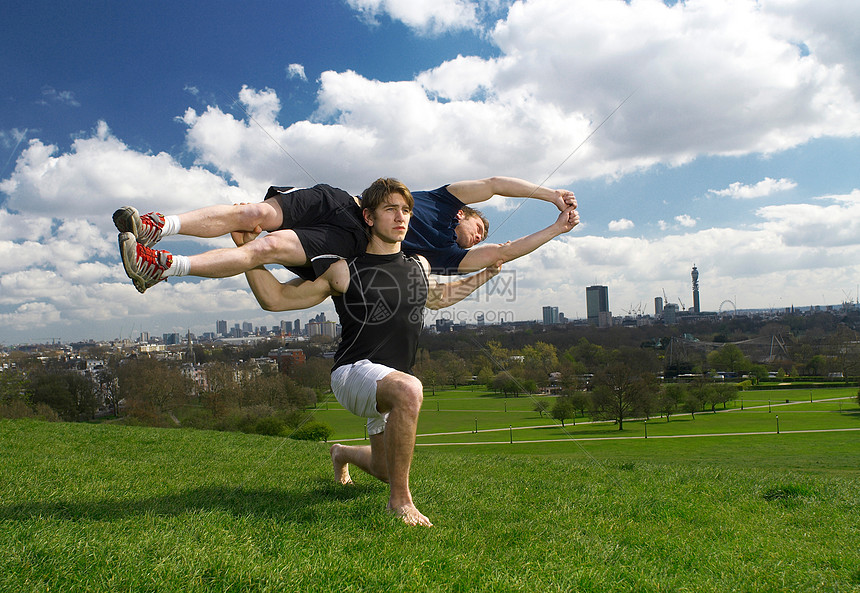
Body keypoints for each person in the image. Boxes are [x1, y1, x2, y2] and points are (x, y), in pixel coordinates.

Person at [235, 179, 579, 526]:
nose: (400, 219)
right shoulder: (346, 267)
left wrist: (487, 274)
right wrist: (249, 251)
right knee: (410, 389)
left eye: (405, 213)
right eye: (392, 211)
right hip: (352, 372)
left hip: (387, 379)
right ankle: (401, 501)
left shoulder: (417, 265)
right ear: (370, 218)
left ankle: (341, 453)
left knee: (385, 467)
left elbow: (442, 297)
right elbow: (276, 299)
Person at [115, 177, 576, 292]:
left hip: (349, 243)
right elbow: (496, 185)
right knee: (252, 212)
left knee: (266, 247)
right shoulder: (444, 197)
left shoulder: (442, 257)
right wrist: (548, 194)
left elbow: (508, 251)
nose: (478, 238)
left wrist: (555, 227)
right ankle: (159, 226)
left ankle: (161, 266)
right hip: (341, 202)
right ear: (466, 213)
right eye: (479, 228)